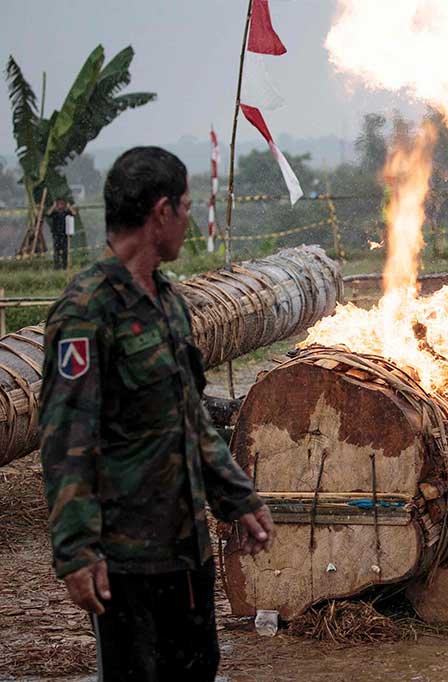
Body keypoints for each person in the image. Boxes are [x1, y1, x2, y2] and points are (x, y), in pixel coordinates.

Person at [38, 147, 274, 680]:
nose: (188, 221)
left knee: (197, 670)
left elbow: (190, 416)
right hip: (126, 559)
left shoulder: (169, 303)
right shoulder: (85, 310)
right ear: (161, 212)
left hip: (186, 549)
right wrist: (76, 550)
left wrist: (235, 495)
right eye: (187, 207)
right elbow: (66, 441)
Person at [46, 197, 77, 270]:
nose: (60, 206)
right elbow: (48, 214)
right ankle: (56, 266)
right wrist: (53, 206)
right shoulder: (55, 213)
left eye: (62, 204)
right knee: (56, 251)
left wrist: (69, 207)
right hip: (56, 235)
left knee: (65, 251)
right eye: (59, 204)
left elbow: (74, 213)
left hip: (65, 235)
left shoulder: (67, 213)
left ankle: (65, 266)